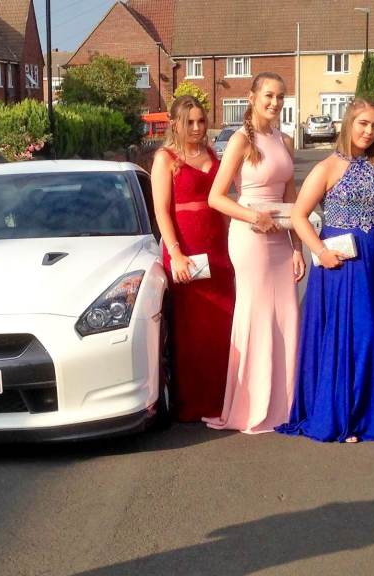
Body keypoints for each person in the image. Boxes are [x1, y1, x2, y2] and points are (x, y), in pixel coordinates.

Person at [277, 98, 374, 443]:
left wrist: (371, 235)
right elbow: (298, 215)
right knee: (352, 336)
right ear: (349, 124)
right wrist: (321, 251)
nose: (369, 131)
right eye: (363, 123)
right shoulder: (327, 167)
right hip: (340, 261)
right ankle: (347, 417)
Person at [203, 72, 305, 433]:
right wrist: (253, 217)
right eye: (268, 96)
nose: (275, 103)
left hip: (281, 240)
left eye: (280, 96)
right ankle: (250, 405)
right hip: (251, 238)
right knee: (257, 316)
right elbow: (216, 198)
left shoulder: (284, 139)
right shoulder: (240, 140)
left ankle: (286, 402)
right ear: (252, 97)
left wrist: (297, 247)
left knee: (288, 315)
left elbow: (291, 198)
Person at [151, 95, 235, 421]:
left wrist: (233, 247)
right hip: (185, 250)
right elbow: (161, 211)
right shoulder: (165, 159)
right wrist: (175, 254)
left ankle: (223, 401)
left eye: (201, 121)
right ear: (175, 124)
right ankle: (194, 405)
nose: (197, 128)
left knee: (222, 326)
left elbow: (223, 204)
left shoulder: (212, 154)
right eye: (190, 122)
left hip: (217, 250)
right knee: (192, 332)